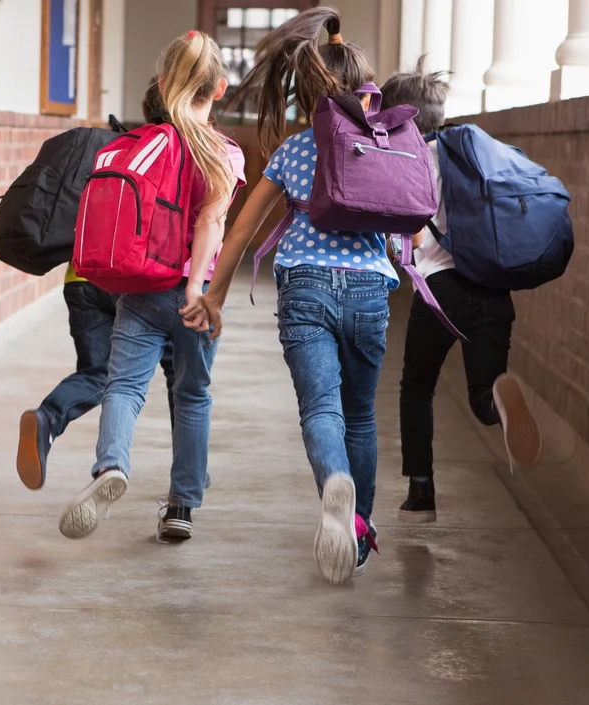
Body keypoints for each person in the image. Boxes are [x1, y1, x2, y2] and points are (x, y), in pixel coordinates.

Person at [182, 7, 388, 584]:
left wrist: (213, 296)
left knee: (320, 408)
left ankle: (333, 484)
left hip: (305, 289)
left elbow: (242, 230)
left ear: (308, 93)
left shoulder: (294, 152)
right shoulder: (389, 145)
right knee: (361, 415)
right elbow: (414, 228)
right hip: (371, 288)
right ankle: (360, 527)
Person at [59, 30, 246, 542]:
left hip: (141, 288)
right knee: (192, 395)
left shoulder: (144, 144)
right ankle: (182, 506)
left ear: (163, 85)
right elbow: (211, 224)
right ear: (222, 88)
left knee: (123, 386)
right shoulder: (224, 153)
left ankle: (111, 465)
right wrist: (196, 291)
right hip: (195, 294)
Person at [379, 65, 542, 524]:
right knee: (479, 394)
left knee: (417, 386)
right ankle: (499, 406)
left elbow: (407, 241)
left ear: (400, 120)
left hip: (440, 293)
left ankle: (421, 495)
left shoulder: (408, 164)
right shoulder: (471, 155)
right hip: (492, 289)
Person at [16, 80, 186, 492]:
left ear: (145, 113)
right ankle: (185, 483)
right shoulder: (176, 152)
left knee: (98, 372)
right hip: (140, 283)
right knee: (181, 379)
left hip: (83, 276)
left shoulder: (108, 147)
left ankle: (48, 417)